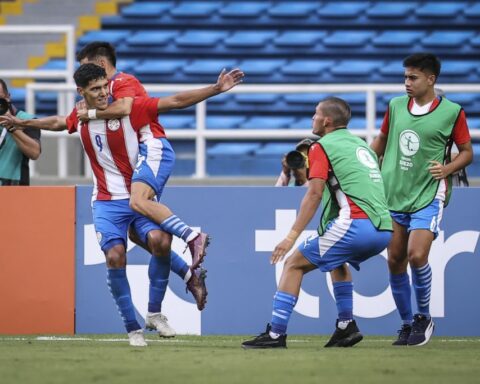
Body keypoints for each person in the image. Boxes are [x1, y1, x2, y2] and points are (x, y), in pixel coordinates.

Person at [0, 63, 242, 346]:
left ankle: (155, 313)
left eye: (105, 86)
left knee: (161, 241)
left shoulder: (129, 108)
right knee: (115, 257)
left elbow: (174, 101)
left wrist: (215, 89)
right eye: (95, 89)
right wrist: (23, 123)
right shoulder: (80, 116)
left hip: (135, 198)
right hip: (105, 201)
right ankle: (132, 328)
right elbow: (57, 122)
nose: (103, 93)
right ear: (81, 91)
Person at [242, 97, 393, 349]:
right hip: (383, 228)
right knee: (337, 260)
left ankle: (276, 334)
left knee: (292, 264)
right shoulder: (362, 145)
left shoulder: (321, 146)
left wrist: (290, 237)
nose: (312, 118)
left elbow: (313, 195)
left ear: (327, 120)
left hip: (356, 224)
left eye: (315, 114)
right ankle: (346, 326)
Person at [75, 42, 234, 271]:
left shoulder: (123, 83)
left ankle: (192, 236)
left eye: (85, 68)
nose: (83, 76)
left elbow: (132, 108)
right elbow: (61, 121)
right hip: (139, 155)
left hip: (152, 146)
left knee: (137, 202)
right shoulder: (107, 95)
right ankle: (187, 278)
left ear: (100, 64)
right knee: (139, 234)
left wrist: (89, 113)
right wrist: (22, 122)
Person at [370, 53, 473, 346]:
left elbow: (467, 153)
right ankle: (405, 323)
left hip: (429, 193)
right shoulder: (395, 105)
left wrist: (448, 168)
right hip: (393, 192)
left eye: (413, 77)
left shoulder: (452, 112)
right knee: (394, 259)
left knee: (416, 255)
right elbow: (381, 140)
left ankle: (423, 317)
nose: (407, 83)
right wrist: (365, 161)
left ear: (431, 79)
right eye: (405, 77)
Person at [0, 79, 41, 185]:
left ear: (8, 97)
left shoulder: (27, 120)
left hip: (14, 187)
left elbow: (34, 153)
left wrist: (11, 127)